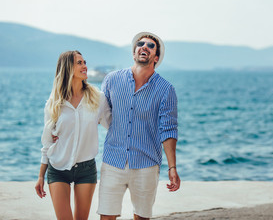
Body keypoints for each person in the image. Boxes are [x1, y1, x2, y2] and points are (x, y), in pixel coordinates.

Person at [98, 32, 180, 220]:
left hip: (146, 165)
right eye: (140, 44)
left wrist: (172, 167)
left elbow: (168, 129)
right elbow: (99, 113)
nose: (144, 46)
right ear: (134, 52)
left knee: (142, 217)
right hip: (112, 161)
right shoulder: (111, 80)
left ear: (156, 57)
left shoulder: (166, 89)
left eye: (150, 46)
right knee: (106, 217)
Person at [35, 50, 111, 220]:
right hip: (58, 169)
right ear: (68, 68)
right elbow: (47, 143)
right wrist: (41, 176)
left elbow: (113, 126)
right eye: (79, 63)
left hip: (86, 169)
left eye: (84, 62)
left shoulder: (98, 98)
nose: (85, 66)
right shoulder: (54, 103)